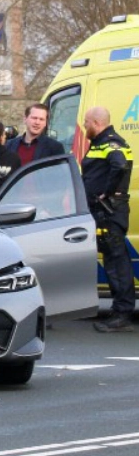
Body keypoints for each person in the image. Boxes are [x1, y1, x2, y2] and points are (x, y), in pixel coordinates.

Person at [82, 106, 135, 332]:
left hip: (109, 211)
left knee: (116, 262)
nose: (84, 126)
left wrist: (106, 192)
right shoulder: (100, 143)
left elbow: (120, 164)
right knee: (113, 260)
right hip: (104, 211)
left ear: (96, 122)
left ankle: (123, 314)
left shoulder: (111, 143)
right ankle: (118, 309)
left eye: (86, 122)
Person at [5, 102, 66, 166]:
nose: (37, 122)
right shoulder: (9, 145)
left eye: (41, 119)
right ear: (25, 119)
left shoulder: (54, 148)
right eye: (34, 118)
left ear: (46, 123)